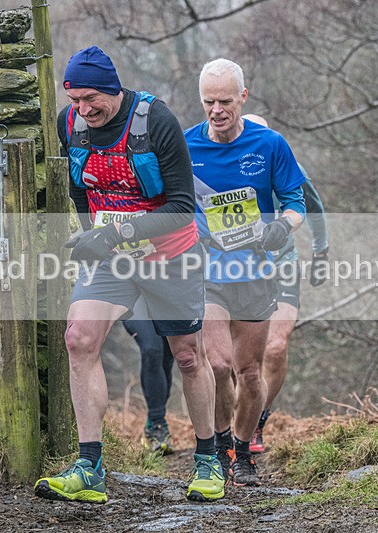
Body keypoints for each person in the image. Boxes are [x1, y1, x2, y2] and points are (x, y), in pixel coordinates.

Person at [34, 46, 224, 504]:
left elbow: (182, 208)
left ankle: (208, 460)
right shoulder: (70, 123)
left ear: (114, 89)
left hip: (171, 256)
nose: (83, 110)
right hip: (112, 258)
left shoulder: (156, 120)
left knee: (188, 356)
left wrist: (115, 232)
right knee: (78, 339)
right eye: (75, 100)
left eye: (91, 99)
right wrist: (91, 236)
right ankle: (89, 467)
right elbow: (78, 189)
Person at [185, 59, 306, 486]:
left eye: (225, 101)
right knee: (219, 366)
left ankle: (243, 451)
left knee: (250, 373)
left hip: (255, 274)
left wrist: (281, 228)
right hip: (207, 275)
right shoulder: (186, 146)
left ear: (243, 97)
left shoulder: (269, 144)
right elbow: (168, 202)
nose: (216, 110)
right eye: (208, 102)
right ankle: (219, 446)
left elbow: (296, 203)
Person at [242, 114, 330, 454]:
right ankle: (235, 422)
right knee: (238, 357)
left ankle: (257, 420)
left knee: (275, 347)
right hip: (235, 270)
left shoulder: (286, 163)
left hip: (283, 266)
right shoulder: (220, 164)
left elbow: (314, 207)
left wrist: (321, 253)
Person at [122, 298, 175, 455]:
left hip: (168, 297)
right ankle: (157, 425)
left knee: (167, 359)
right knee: (152, 350)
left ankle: (152, 423)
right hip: (133, 297)